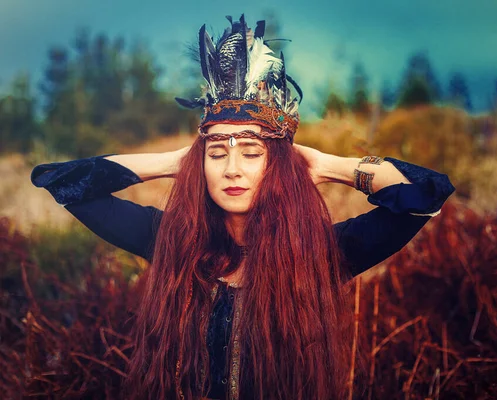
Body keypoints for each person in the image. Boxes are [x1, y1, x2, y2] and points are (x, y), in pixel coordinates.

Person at [30, 15, 455, 400]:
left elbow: (425, 194)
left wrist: (328, 165)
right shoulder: (170, 239)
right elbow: (63, 182)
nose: (232, 169)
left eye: (252, 152)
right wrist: (175, 163)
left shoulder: (322, 253)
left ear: (277, 164)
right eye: (217, 154)